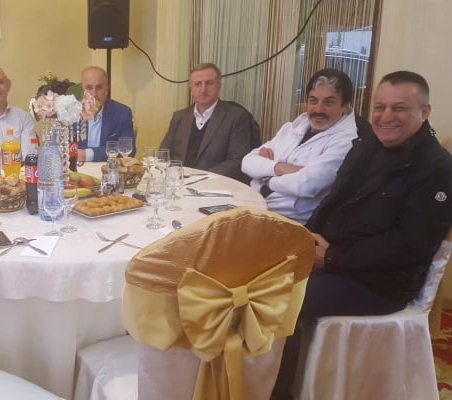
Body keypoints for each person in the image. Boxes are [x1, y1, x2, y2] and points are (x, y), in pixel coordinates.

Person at [271, 71, 452, 399]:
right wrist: (306, 240)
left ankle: (276, 391)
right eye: (380, 107)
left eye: (399, 108)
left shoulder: (436, 169)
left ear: (424, 112)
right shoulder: (367, 143)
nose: (386, 116)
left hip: (379, 283)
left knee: (278, 298)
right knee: (256, 271)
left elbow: (409, 246)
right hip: (336, 258)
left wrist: (332, 258)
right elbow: (333, 200)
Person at [241, 68, 358, 224]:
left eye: (328, 102)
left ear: (344, 106)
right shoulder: (293, 127)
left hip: (287, 221)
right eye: (313, 100)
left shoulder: (347, 141)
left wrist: (265, 177)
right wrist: (280, 167)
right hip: (252, 204)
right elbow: (247, 162)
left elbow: (306, 185)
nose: (318, 110)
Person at [159, 63, 260, 182]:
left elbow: (237, 161)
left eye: (209, 83)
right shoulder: (179, 117)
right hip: (178, 183)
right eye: (198, 84)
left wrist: (202, 177)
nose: (203, 90)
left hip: (214, 185)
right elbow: (163, 153)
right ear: (191, 88)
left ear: (219, 86)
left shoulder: (236, 117)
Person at [77, 66, 136, 162]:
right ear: (82, 90)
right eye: (89, 88)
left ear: (107, 90)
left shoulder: (122, 113)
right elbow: (56, 147)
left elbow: (128, 150)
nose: (94, 94)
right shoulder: (70, 112)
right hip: (75, 169)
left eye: (99, 88)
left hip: (108, 169)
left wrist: (86, 155)